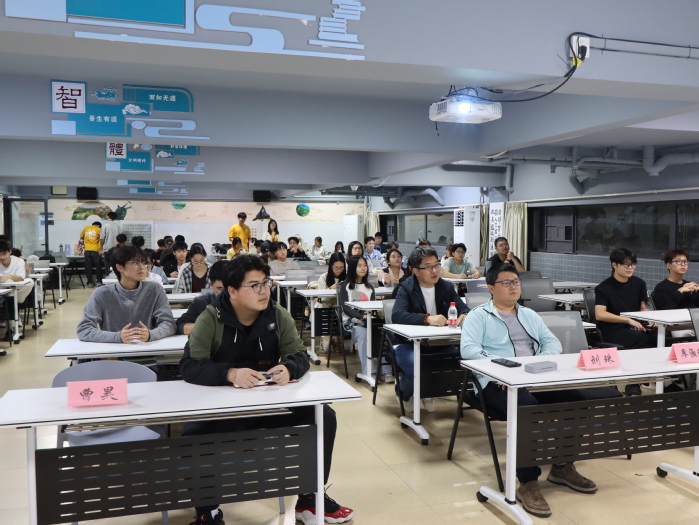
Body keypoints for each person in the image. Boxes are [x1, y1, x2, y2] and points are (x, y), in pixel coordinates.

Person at [179, 255, 353, 525]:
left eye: (265, 283)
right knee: (193, 433)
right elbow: (190, 365)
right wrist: (229, 373)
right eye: (254, 286)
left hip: (269, 404)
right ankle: (207, 511)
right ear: (232, 291)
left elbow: (298, 354)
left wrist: (289, 368)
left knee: (323, 416)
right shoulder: (211, 317)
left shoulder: (277, 314)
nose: (263, 291)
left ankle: (309, 497)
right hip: (223, 409)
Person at [462, 264, 621, 518]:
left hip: (534, 376)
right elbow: (469, 349)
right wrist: (502, 368)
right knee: (527, 409)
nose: (513, 286)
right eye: (506, 283)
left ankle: (562, 466)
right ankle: (528, 481)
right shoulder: (478, 316)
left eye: (516, 282)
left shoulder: (529, 314)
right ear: (491, 288)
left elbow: (551, 342)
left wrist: (537, 363)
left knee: (576, 402)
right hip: (496, 382)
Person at [392, 246, 469, 411]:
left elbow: (463, 308)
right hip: (408, 343)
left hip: (438, 342)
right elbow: (397, 315)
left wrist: (464, 315)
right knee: (416, 366)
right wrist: (426, 319)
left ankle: (428, 391)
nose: (434, 270)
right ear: (415, 271)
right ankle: (405, 392)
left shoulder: (445, 286)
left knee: (459, 361)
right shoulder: (406, 287)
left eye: (436, 265)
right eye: (428, 267)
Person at [77, 245, 175, 343]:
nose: (142, 267)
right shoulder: (102, 294)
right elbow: (84, 329)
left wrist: (150, 335)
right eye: (135, 262)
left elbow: (169, 324)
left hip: (147, 348)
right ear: (119, 267)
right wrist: (117, 337)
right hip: (113, 350)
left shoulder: (155, 290)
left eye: (144, 263)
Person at [595, 247, 656, 396]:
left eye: (633, 264)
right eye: (626, 265)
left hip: (635, 326)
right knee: (643, 340)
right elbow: (600, 314)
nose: (630, 268)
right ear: (614, 265)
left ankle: (663, 382)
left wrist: (651, 321)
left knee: (658, 336)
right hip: (612, 330)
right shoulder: (603, 288)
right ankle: (633, 383)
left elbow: (642, 309)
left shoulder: (639, 283)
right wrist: (628, 320)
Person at [339, 256, 391, 381]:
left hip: (368, 320)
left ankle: (386, 371)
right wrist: (361, 316)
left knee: (383, 331)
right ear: (353, 268)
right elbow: (346, 308)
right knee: (363, 332)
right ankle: (369, 371)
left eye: (365, 265)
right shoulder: (346, 286)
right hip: (351, 321)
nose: (363, 268)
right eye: (359, 265)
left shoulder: (369, 287)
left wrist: (369, 316)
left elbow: (372, 307)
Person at [176, 260, 228, 335]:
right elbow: (180, 326)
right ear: (211, 285)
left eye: (231, 289)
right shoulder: (202, 302)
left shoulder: (244, 303)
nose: (227, 293)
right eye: (220, 289)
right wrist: (210, 327)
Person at [316, 252, 346, 352]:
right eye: (336, 268)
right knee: (326, 350)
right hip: (326, 307)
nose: (339, 270)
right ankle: (328, 339)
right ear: (331, 266)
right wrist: (331, 289)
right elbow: (321, 297)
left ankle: (338, 338)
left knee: (345, 348)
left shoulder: (347, 278)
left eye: (341, 268)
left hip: (341, 308)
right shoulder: (324, 277)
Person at [80, 221, 102, 287]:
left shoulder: (86, 228)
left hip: (87, 250)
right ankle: (99, 281)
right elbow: (102, 240)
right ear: (98, 226)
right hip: (96, 250)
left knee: (88, 267)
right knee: (98, 266)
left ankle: (90, 283)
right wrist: (101, 250)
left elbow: (81, 236)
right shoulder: (99, 230)